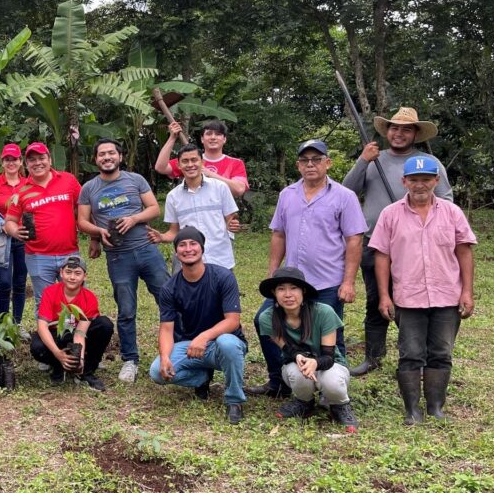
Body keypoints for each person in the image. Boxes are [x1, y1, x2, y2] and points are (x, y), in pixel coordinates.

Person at [246, 140, 366, 398]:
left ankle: (333, 390)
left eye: (316, 159)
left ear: (327, 163)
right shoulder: (287, 194)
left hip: (327, 281)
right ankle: (278, 380)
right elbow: (279, 234)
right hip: (291, 281)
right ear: (298, 165)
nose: (310, 164)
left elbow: (354, 239)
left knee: (332, 334)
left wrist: (349, 282)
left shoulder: (344, 196)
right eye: (305, 160)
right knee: (264, 321)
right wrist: (272, 272)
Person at [342, 107, 453, 376]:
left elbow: (446, 200)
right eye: (394, 128)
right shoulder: (373, 159)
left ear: (415, 133)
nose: (399, 133)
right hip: (373, 242)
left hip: (414, 246)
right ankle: (374, 357)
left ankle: (417, 356)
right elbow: (346, 192)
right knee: (375, 301)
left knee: (412, 301)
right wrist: (362, 160)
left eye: (406, 129)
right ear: (387, 131)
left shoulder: (429, 162)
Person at [369, 156, 476, 425]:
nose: (420, 185)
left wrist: (467, 292)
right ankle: (412, 410)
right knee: (410, 353)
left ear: (436, 181)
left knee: (441, 352)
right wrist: (384, 294)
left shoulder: (452, 213)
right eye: (414, 179)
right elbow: (382, 256)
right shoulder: (390, 214)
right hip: (408, 296)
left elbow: (464, 252)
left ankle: (436, 407)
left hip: (446, 295)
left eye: (426, 179)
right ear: (404, 182)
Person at [77, 138, 167, 384]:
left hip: (147, 250)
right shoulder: (89, 188)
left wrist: (134, 219)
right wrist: (98, 232)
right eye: (101, 154)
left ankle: (178, 347)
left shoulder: (135, 180)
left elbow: (154, 209)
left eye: (111, 153)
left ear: (120, 156)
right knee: (126, 310)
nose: (107, 157)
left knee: (168, 298)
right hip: (118, 256)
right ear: (96, 160)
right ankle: (130, 359)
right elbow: (82, 221)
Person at [148, 227, 248, 424]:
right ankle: (201, 379)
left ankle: (234, 400)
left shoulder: (222, 277)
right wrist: (165, 356)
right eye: (182, 245)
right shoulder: (170, 288)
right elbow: (167, 329)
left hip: (222, 344)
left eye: (193, 244)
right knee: (157, 372)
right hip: (191, 346)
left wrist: (204, 337)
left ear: (202, 248)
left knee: (227, 342)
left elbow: (232, 320)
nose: (188, 249)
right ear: (176, 252)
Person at [256, 267, 359, 433]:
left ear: (303, 291)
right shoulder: (267, 317)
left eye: (293, 288)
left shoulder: (324, 312)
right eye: (281, 289)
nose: (288, 294)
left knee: (331, 381)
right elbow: (287, 348)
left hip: (330, 363)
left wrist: (315, 362)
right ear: (274, 293)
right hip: (297, 362)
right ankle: (304, 402)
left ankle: (339, 405)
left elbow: (329, 357)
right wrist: (299, 357)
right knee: (297, 374)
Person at [4, 142, 82, 312]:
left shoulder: (68, 180)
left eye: (41, 158)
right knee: (45, 301)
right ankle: (48, 337)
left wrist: (95, 237)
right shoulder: (22, 191)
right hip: (38, 256)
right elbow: (9, 220)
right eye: (32, 160)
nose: (37, 163)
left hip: (69, 252)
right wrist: (15, 230)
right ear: (26, 164)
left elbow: (84, 208)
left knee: (74, 300)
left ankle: (73, 337)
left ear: (50, 159)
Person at [147, 144, 240, 270]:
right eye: (185, 161)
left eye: (194, 160)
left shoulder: (220, 187)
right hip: (189, 263)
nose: (190, 165)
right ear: (179, 165)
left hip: (220, 259)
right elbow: (174, 232)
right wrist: (162, 237)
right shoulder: (173, 197)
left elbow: (231, 219)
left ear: (202, 162)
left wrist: (233, 224)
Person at [30, 256, 113, 392]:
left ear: (85, 276)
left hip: (77, 333)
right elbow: (42, 326)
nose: (72, 277)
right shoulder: (50, 292)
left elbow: (80, 333)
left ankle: (85, 371)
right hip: (57, 334)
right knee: (37, 346)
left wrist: (79, 359)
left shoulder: (89, 297)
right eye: (68, 272)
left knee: (105, 325)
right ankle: (58, 365)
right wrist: (57, 353)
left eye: (77, 273)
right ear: (61, 273)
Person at [0, 143, 30, 340]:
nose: (11, 163)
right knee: (4, 282)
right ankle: (2, 324)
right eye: (7, 160)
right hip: (2, 238)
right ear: (2, 162)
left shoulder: (28, 182)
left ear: (20, 162)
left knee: (20, 282)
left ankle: (17, 323)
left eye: (15, 159)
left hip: (23, 237)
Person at [153, 120, 249, 198]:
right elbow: (160, 167)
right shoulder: (191, 161)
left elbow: (239, 190)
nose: (213, 137)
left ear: (224, 139)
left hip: (221, 217)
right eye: (209, 134)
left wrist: (210, 174)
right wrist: (172, 137)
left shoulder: (235, 163)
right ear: (202, 139)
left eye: (218, 134)